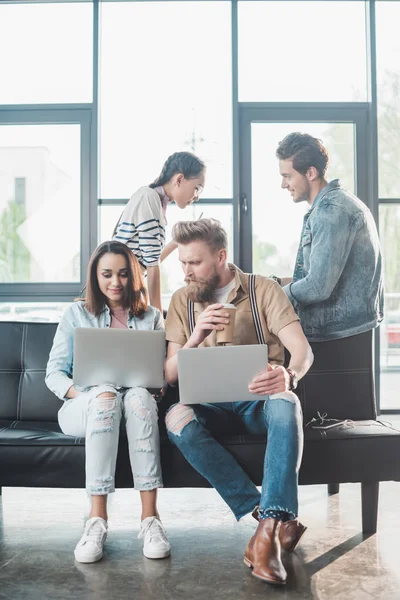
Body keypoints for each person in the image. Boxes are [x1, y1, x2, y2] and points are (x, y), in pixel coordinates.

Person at [163, 218, 314, 586]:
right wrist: (196, 336)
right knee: (175, 418)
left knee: (287, 401)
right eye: (182, 263)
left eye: (194, 263)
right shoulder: (182, 300)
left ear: (221, 256)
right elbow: (169, 374)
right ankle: (270, 521)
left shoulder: (262, 289)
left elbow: (302, 351)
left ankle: (266, 531)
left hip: (256, 404)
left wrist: (289, 375)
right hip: (209, 408)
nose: (187, 271)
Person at [46, 241, 170, 564]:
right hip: (84, 407)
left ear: (133, 277)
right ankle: (96, 520)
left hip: (134, 406)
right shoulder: (75, 314)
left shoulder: (152, 317)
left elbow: (159, 378)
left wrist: (152, 387)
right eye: (107, 274)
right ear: (95, 276)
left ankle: (150, 520)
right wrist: (89, 395)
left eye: (123, 274)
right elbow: (54, 374)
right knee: (105, 397)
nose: (115, 282)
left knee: (140, 396)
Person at [275, 132, 383, 342]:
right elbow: (318, 275)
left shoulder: (331, 212)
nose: (283, 184)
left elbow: (317, 286)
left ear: (311, 173)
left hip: (337, 336)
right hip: (342, 332)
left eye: (287, 176)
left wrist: (274, 297)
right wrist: (274, 283)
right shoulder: (332, 205)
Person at [113, 151, 206, 313]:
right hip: (118, 289)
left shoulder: (155, 201)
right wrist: (156, 317)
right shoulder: (149, 197)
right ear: (179, 179)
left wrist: (178, 240)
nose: (197, 197)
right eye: (197, 188)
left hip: (124, 290)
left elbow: (151, 260)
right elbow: (152, 265)